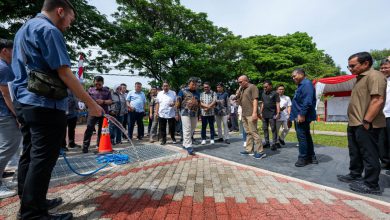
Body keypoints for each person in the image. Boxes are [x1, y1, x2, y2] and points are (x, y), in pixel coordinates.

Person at [11, 0, 103, 218]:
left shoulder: (23, 29)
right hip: (45, 103)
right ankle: (32, 214)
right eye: (70, 18)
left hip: (24, 102)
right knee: (43, 158)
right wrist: (91, 104)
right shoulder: (49, 30)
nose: (69, 24)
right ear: (60, 11)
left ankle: (31, 200)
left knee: (30, 155)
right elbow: (64, 73)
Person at [337, 52, 386, 195]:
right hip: (355, 123)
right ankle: (355, 174)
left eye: (353, 66)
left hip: (366, 123)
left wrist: (366, 121)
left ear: (366, 64)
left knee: (369, 154)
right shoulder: (360, 78)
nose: (350, 69)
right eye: (349, 66)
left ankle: (371, 185)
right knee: (355, 152)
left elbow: (377, 100)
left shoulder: (374, 76)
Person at [0, 39, 22, 199]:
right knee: (7, 148)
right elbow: (6, 94)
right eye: (12, 50)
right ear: (4, 51)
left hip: (3, 113)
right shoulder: (4, 68)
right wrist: (18, 114)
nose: (15, 54)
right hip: (5, 114)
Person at [288, 68, 317, 167]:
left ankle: (303, 158)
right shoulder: (301, 85)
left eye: (294, 76)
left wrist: (302, 114)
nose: (293, 78)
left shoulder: (306, 84)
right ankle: (311, 157)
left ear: (301, 74)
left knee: (302, 137)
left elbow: (307, 101)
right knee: (306, 136)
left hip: (302, 116)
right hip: (300, 115)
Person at [237, 75, 266, 159]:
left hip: (251, 113)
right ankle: (249, 150)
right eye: (238, 82)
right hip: (244, 113)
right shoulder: (242, 89)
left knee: (254, 132)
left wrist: (254, 113)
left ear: (246, 80)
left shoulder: (252, 87)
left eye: (240, 82)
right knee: (248, 132)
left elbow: (255, 100)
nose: (239, 84)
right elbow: (239, 101)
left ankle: (260, 151)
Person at [82, 76, 112, 153]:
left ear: (103, 83)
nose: (97, 85)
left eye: (99, 84)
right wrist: (90, 104)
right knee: (89, 129)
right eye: (96, 84)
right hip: (92, 113)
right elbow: (85, 99)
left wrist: (103, 101)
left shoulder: (107, 91)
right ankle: (85, 147)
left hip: (103, 113)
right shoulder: (90, 90)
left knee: (102, 131)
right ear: (94, 82)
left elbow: (110, 101)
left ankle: (100, 145)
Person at [176, 77, 200, 155]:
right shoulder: (182, 91)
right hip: (185, 112)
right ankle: (189, 146)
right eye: (193, 84)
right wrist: (176, 113)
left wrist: (200, 113)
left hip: (195, 113)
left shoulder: (197, 92)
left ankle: (184, 144)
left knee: (192, 129)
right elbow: (178, 102)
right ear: (189, 83)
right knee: (187, 128)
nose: (194, 86)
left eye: (195, 84)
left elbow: (199, 103)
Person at [260, 80, 280, 150]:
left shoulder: (275, 93)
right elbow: (262, 103)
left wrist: (278, 113)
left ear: (270, 86)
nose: (264, 88)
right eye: (264, 87)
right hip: (264, 114)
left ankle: (274, 143)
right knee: (265, 129)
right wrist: (260, 112)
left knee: (273, 129)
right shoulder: (263, 93)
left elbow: (277, 103)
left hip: (272, 114)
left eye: (266, 87)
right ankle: (267, 142)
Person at [379, 59, 390, 171]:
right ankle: (385, 161)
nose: (383, 69)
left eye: (386, 67)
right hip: (381, 115)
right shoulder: (380, 81)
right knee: (381, 140)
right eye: (381, 68)